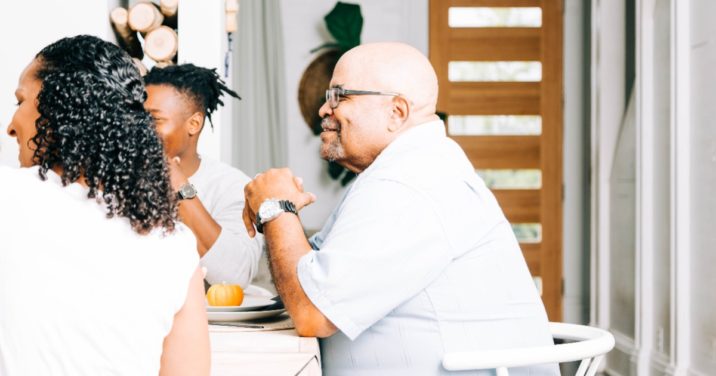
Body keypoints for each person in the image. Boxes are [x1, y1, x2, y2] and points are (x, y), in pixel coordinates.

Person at [242, 42, 558, 375]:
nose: (324, 109)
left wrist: (276, 207)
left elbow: (311, 312)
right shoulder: (405, 170)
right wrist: (279, 210)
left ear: (397, 113)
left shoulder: (411, 183)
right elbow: (308, 276)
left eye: (339, 95)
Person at [0, 35, 209, 376]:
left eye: (20, 101)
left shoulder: (6, 199)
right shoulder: (174, 245)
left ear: (59, 107)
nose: (11, 127)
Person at [143, 64, 262, 287]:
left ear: (194, 124)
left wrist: (178, 185)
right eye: (139, 118)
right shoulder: (118, 179)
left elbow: (235, 276)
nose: (141, 128)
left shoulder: (233, 187)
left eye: (154, 119)